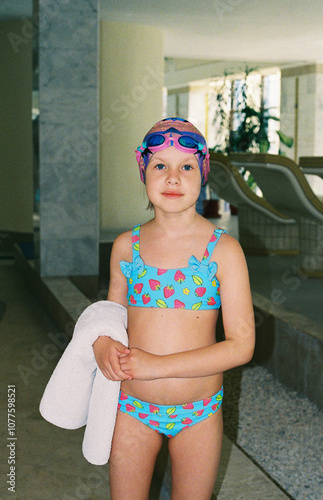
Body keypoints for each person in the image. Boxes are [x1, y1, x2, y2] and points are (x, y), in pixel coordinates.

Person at [93, 117, 255, 499]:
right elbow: (110, 317)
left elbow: (241, 345)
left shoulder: (224, 251)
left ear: (203, 172)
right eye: (160, 166)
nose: (172, 177)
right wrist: (101, 343)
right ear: (142, 170)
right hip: (134, 407)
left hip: (198, 412)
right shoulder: (125, 246)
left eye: (185, 166)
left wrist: (157, 366)